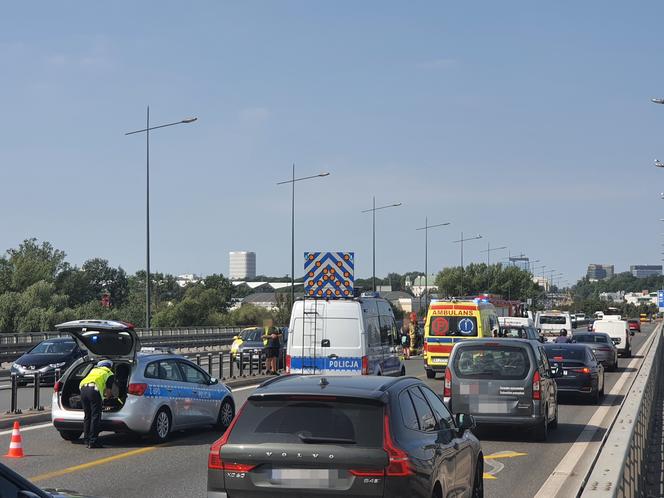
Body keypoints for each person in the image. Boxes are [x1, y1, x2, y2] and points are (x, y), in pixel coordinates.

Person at [79, 359, 114, 448]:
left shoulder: (93, 370)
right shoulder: (109, 373)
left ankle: (86, 440)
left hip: (83, 390)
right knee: (95, 416)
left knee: (87, 416)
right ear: (109, 366)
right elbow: (109, 391)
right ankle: (93, 441)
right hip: (93, 391)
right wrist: (108, 398)